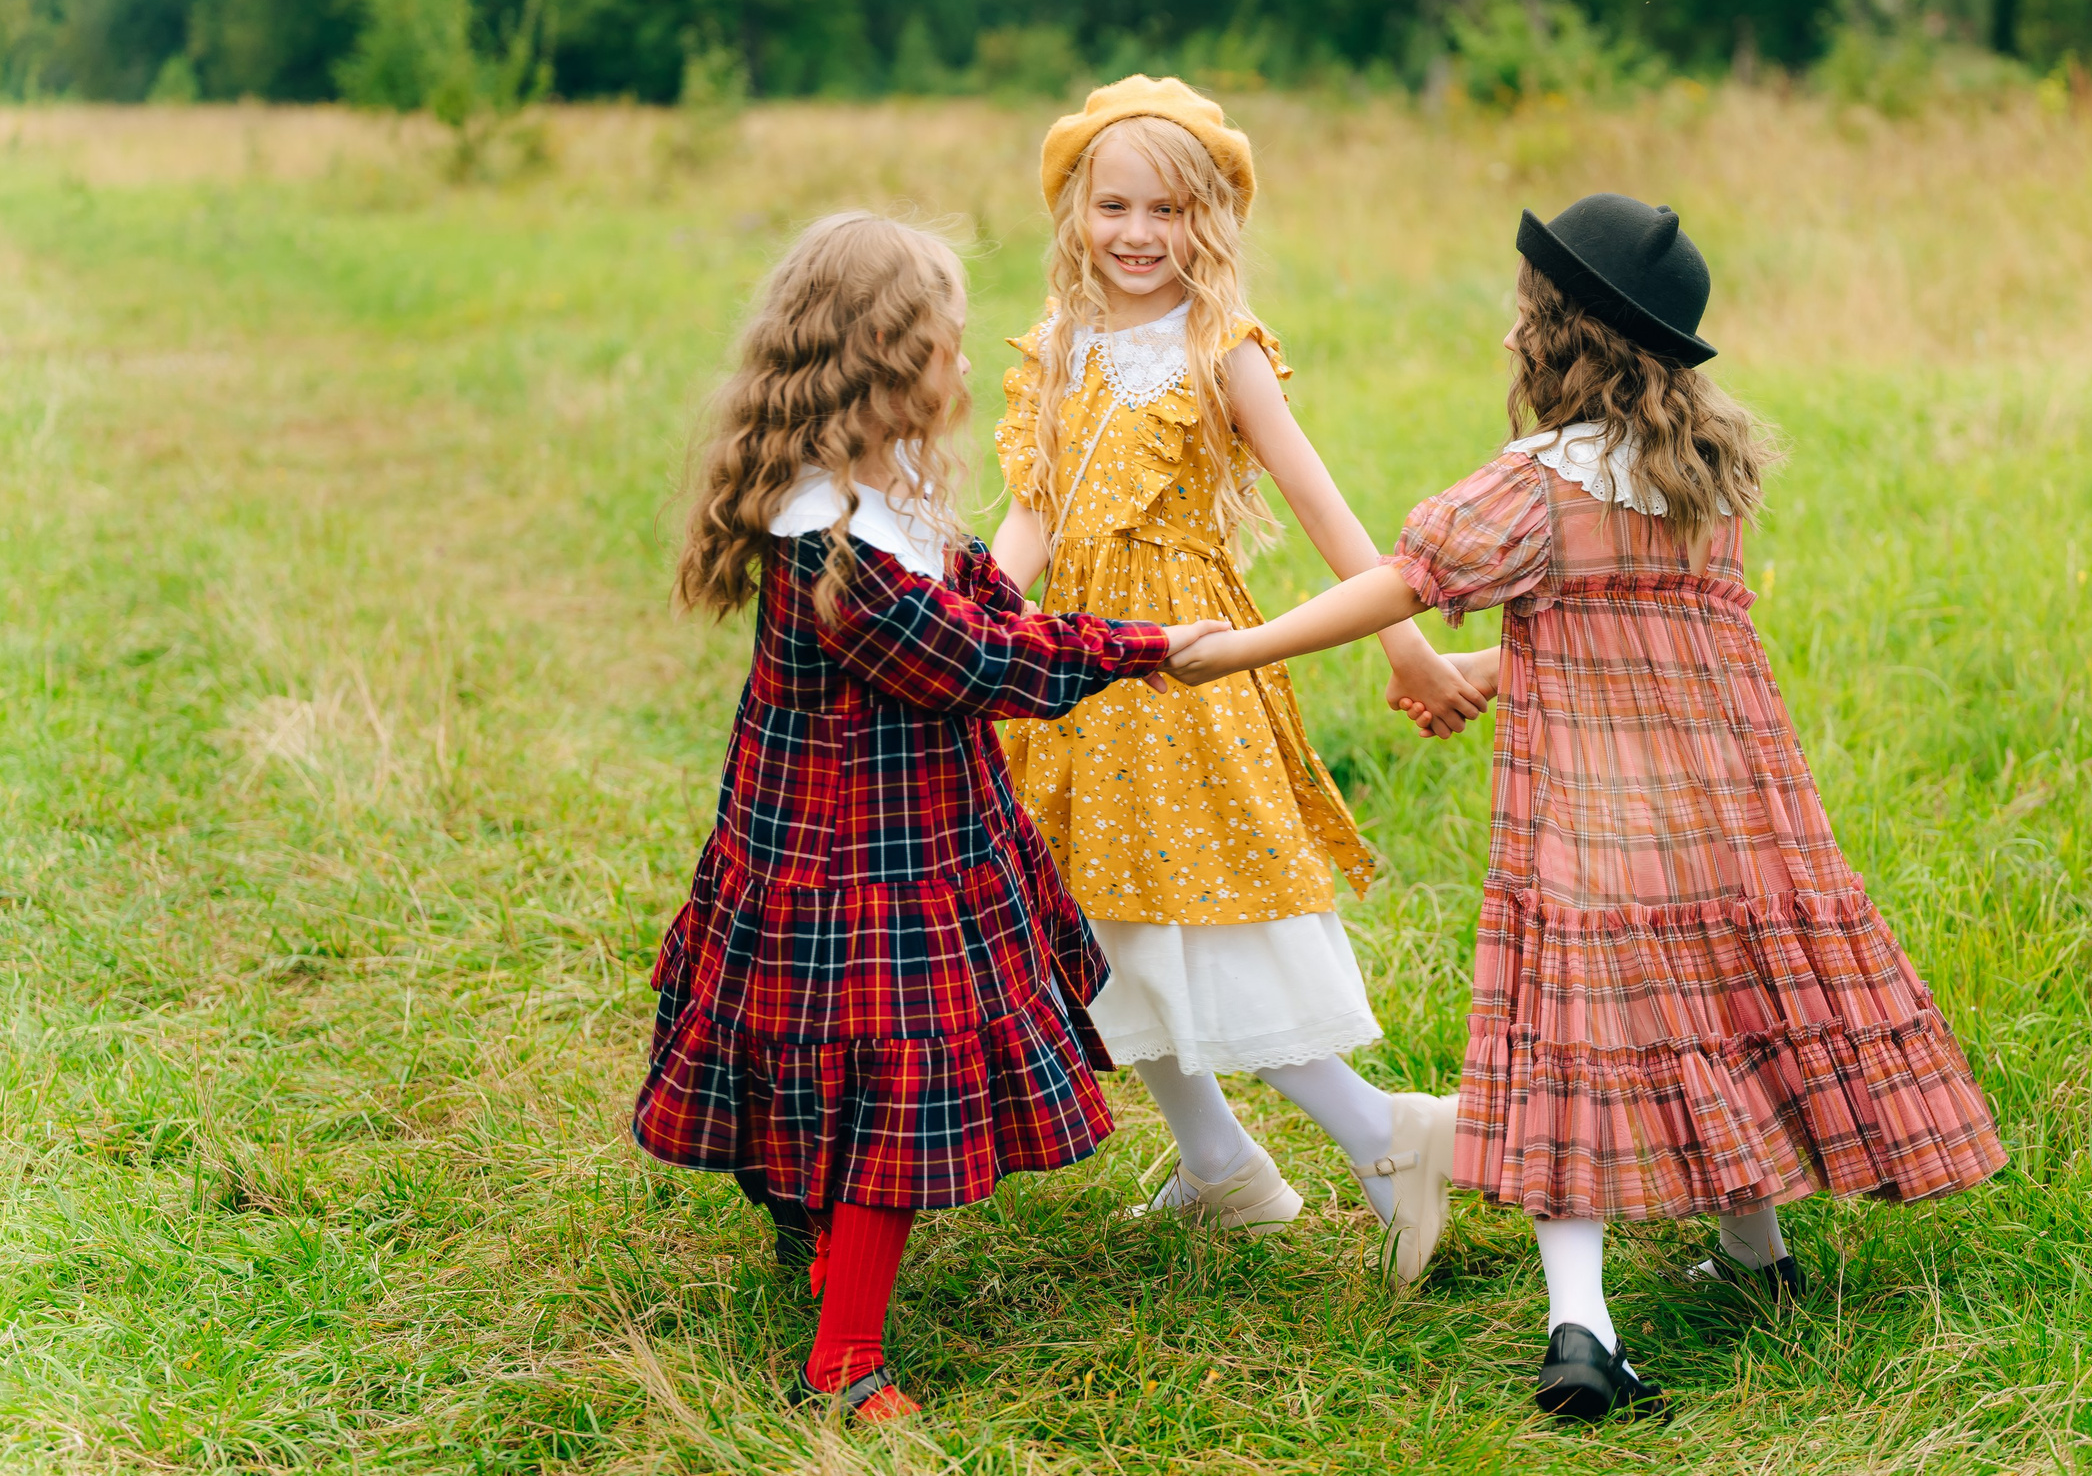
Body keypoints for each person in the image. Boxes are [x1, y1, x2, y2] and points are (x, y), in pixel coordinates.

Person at [1166, 193, 2009, 1419]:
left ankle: (1583, 1325)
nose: (1514, 330)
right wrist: (1485, 675)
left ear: (1560, 332)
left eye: (1527, 310)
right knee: (1718, 1013)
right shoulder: (1700, 475)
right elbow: (1645, 641)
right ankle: (1755, 1256)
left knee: (1576, 1057)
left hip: (1594, 835)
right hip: (1730, 817)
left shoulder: (1535, 483)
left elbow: (1400, 583)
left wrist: (1238, 650)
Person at [632, 211, 1227, 1419]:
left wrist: (1137, 638)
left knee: (830, 1072)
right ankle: (844, 1356)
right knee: (880, 1087)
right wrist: (1146, 650)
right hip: (852, 863)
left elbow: (991, 607)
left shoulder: (887, 497)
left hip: (917, 835)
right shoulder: (828, 547)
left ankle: (815, 1246)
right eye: (951, 345)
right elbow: (978, 663)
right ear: (891, 362)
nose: (964, 365)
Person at [990, 76, 1487, 1280]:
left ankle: (1386, 1135)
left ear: (1207, 222)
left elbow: (1327, 511)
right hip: (1077, 674)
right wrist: (970, 631)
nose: (1137, 234)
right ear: (1074, 212)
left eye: (1167, 209)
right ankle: (1222, 1166)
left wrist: (1406, 644)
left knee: (1202, 925)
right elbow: (1033, 520)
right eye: (1113, 206)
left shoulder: (1222, 353)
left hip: (1185, 672)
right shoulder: (1059, 350)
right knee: (1099, 920)